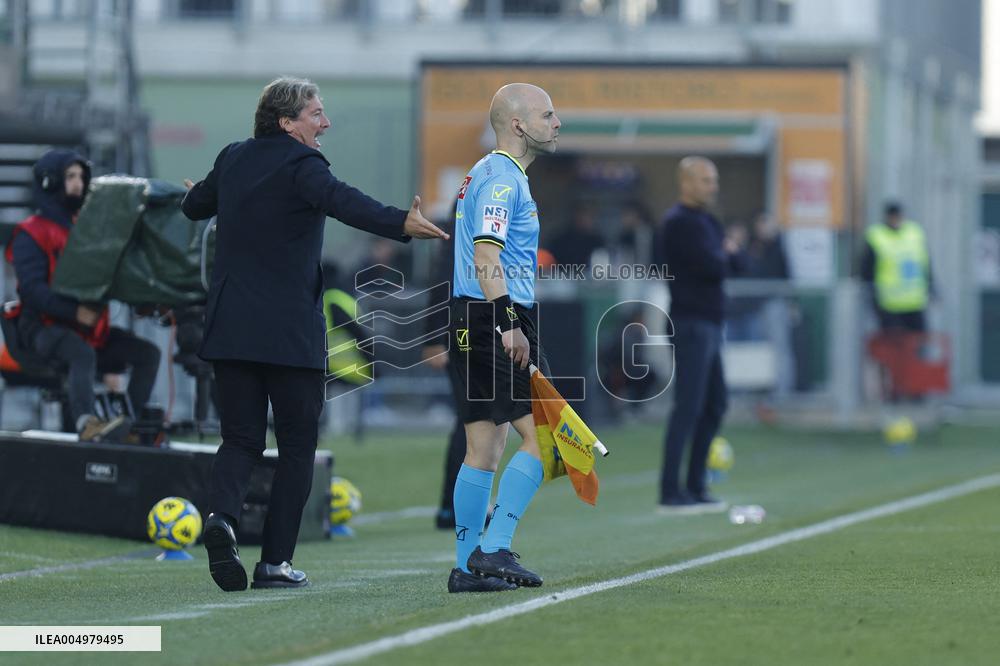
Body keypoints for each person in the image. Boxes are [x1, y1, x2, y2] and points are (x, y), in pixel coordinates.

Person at [182, 76, 448, 593]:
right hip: (288, 336)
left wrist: (200, 193)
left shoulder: (233, 157)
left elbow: (196, 208)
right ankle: (274, 563)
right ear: (287, 122)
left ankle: (221, 518)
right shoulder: (304, 166)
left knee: (238, 440)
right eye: (316, 114)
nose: (324, 123)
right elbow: (343, 201)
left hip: (231, 328)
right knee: (298, 447)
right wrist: (402, 223)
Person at [447, 82, 560, 593]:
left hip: (471, 316)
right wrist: (509, 321)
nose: (557, 122)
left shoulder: (485, 173)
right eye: (548, 114)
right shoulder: (502, 181)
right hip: (495, 317)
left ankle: (467, 564)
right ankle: (493, 547)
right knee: (547, 438)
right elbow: (486, 258)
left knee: (483, 448)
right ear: (519, 125)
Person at [4, 149, 161, 442]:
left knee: (148, 354)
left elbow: (111, 278)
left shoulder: (89, 231)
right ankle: (87, 424)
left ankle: (128, 427)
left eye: (81, 177)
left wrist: (145, 302)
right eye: (70, 176)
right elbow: (33, 291)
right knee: (81, 353)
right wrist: (74, 313)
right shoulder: (31, 233)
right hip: (44, 330)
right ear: (51, 181)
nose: (78, 183)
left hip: (91, 331)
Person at [654, 156, 744, 513]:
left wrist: (726, 255)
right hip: (690, 322)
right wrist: (725, 254)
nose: (713, 186)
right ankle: (670, 491)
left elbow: (738, 264)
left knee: (715, 404)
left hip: (709, 323)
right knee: (688, 407)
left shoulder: (708, 221)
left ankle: (695, 485)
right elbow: (714, 265)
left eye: (714, 180)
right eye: (706, 180)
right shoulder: (679, 223)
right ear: (686, 183)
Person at [860, 201, 932, 333]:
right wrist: (872, 294)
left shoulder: (914, 233)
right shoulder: (877, 236)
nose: (896, 220)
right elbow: (867, 269)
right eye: (893, 216)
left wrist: (931, 285)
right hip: (888, 304)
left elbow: (925, 262)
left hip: (914, 302)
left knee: (918, 345)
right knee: (894, 346)